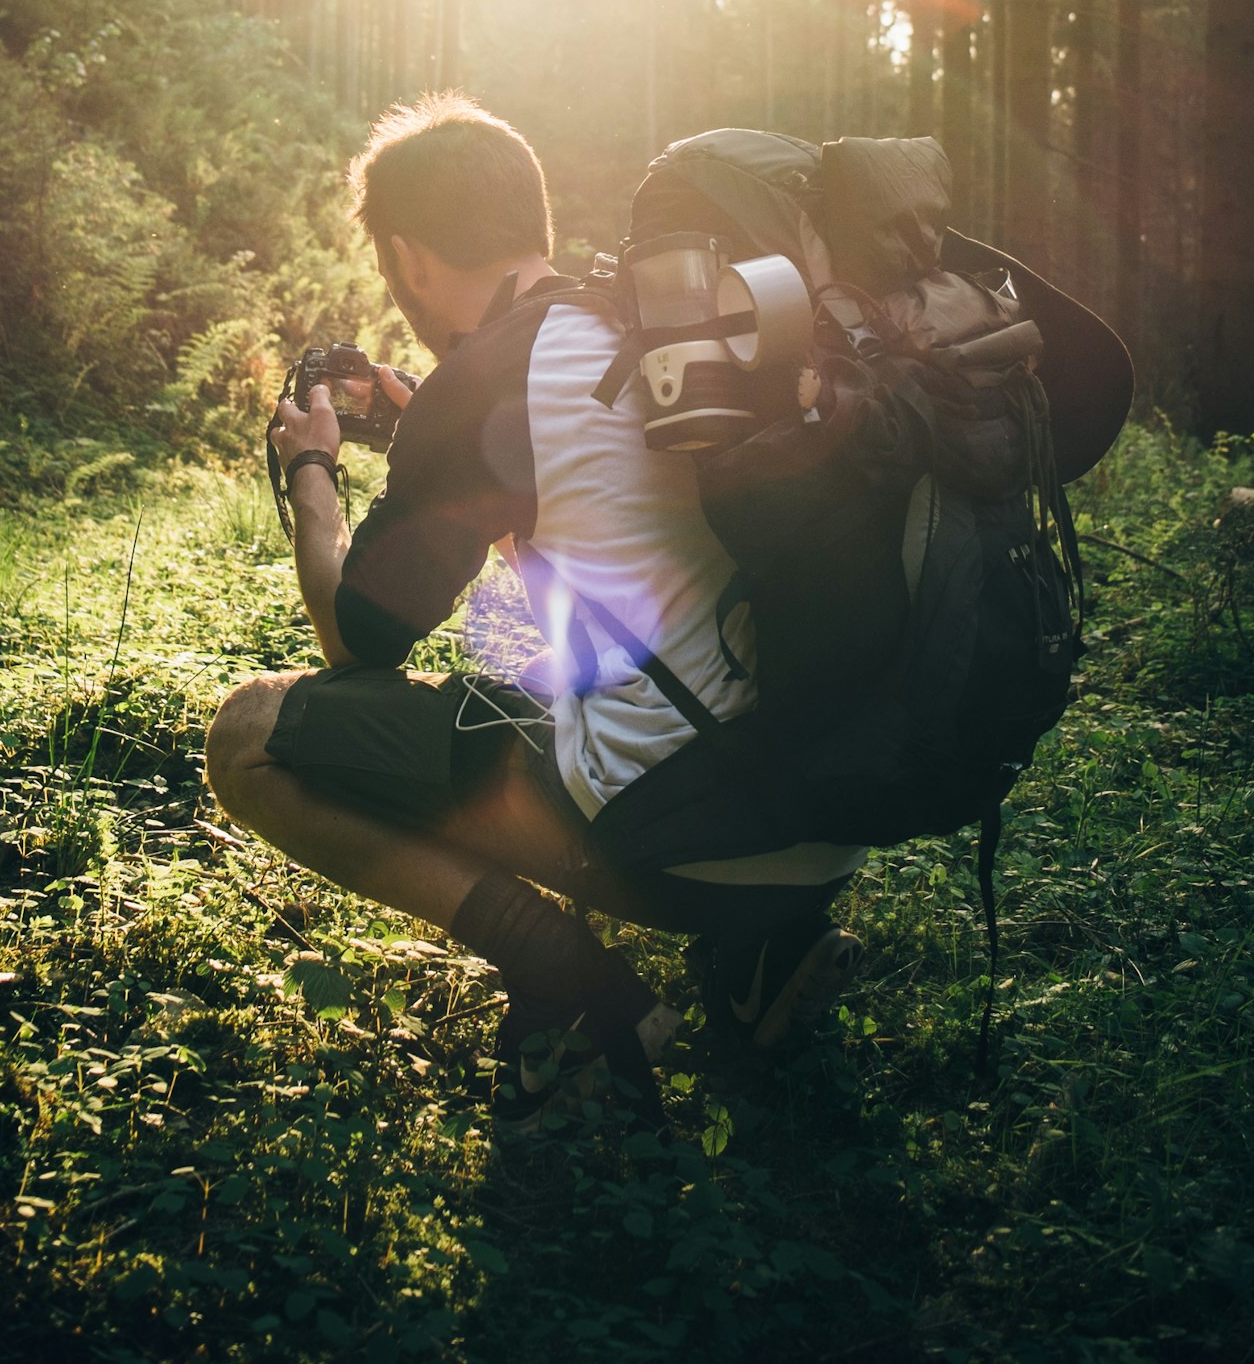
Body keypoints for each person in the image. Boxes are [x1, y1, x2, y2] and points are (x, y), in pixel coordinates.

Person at [205, 92, 862, 1135]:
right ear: (532, 222)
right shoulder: (646, 327)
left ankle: (571, 985)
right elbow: (574, 474)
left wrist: (314, 468)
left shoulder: (485, 380)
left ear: (409, 257)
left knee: (247, 738)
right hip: (831, 813)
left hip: (679, 837)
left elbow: (353, 637)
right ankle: (764, 957)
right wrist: (431, 420)